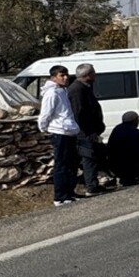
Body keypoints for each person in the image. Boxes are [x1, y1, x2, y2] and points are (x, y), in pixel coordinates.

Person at [37, 64, 82, 207]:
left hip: (69, 131)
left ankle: (69, 192)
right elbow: (45, 114)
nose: (65, 78)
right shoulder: (52, 93)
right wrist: (44, 128)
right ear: (53, 77)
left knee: (71, 163)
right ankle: (60, 196)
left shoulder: (62, 91)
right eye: (61, 75)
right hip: (59, 131)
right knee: (61, 164)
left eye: (66, 75)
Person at [67, 63, 109, 196]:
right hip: (84, 132)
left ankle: (95, 182)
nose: (95, 75)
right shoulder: (77, 90)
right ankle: (91, 186)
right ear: (87, 75)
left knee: (95, 156)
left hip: (90, 130)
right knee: (87, 157)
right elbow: (79, 113)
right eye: (93, 72)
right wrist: (88, 131)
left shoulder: (86, 87)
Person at [107, 111, 139, 186]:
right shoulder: (136, 132)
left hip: (113, 164)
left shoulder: (117, 128)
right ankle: (131, 177)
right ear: (135, 120)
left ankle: (125, 178)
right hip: (128, 164)